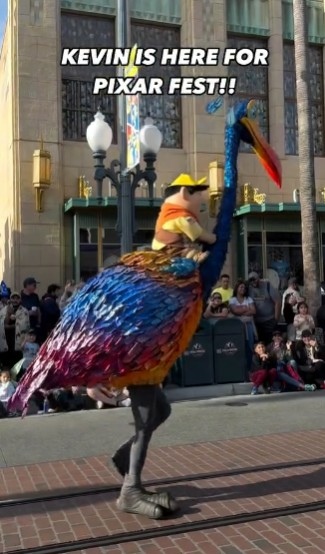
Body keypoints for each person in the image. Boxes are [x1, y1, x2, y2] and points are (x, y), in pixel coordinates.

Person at [109, 173, 216, 517]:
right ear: (185, 194)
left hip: (148, 353)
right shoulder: (164, 262)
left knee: (162, 411)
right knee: (144, 422)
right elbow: (208, 239)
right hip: (140, 358)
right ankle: (130, 490)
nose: (201, 202)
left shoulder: (167, 264)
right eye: (199, 196)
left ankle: (125, 457)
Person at [248, 272, 281, 344]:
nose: (253, 282)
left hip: (269, 320)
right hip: (256, 322)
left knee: (270, 343)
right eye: (251, 280)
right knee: (259, 344)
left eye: (255, 279)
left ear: (258, 279)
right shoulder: (248, 289)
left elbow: (277, 302)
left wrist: (276, 319)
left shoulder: (267, 286)